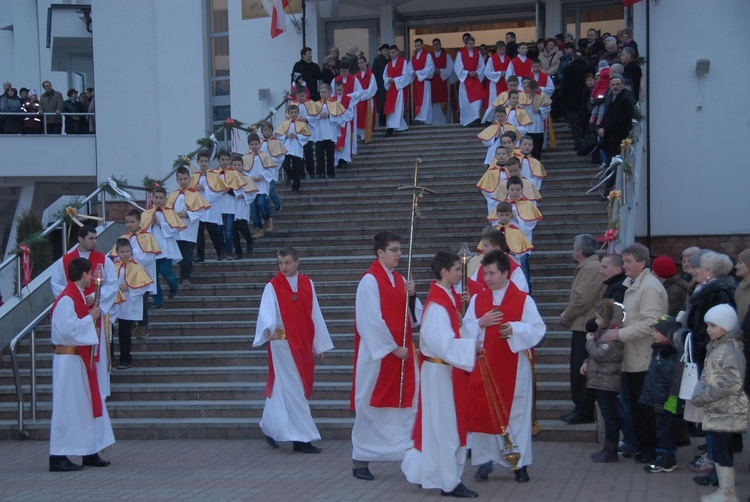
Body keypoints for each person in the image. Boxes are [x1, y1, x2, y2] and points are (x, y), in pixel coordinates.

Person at [401, 252, 479, 498]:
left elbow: (455, 332)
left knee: (439, 427)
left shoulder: (446, 299)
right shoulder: (437, 305)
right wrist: (470, 347)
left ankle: (430, 474)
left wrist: (469, 341)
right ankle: (449, 482)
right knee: (444, 428)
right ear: (444, 272)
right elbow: (439, 343)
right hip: (439, 370)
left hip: (444, 370)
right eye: (457, 269)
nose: (460, 273)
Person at [463, 250, 546, 483]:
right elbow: (465, 328)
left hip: (514, 366)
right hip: (484, 364)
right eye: (485, 273)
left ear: (505, 273)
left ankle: (518, 464)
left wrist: (515, 330)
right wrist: (481, 322)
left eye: (492, 273)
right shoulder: (479, 299)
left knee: (516, 414)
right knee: (483, 411)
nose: (487, 278)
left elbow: (538, 329)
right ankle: (483, 461)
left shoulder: (523, 299)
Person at [351, 231, 422, 481]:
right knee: (370, 404)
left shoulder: (401, 279)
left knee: (404, 405)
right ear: (380, 253)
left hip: (401, 354)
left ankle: (404, 452)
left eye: (400, 249)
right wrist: (392, 348)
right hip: (377, 357)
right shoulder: (369, 281)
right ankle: (361, 459)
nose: (399, 254)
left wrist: (412, 296)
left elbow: (414, 319)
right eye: (394, 250)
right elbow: (370, 320)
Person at [254, 247, 333, 453]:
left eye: (287, 262)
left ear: (297, 262)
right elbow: (266, 314)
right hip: (282, 344)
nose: (284, 267)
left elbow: (314, 313)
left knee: (283, 389)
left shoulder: (308, 284)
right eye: (280, 263)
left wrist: (319, 344)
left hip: (303, 342)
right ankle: (302, 439)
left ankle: (271, 428)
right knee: (295, 388)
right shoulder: (272, 286)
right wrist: (269, 328)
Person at [600, 243, 668, 465]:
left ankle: (651, 449)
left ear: (642, 263)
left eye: (629, 261)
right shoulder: (634, 284)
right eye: (624, 261)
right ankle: (643, 447)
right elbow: (631, 317)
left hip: (644, 355)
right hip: (633, 354)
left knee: (645, 408)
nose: (625, 265)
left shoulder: (649, 287)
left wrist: (621, 334)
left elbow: (652, 322)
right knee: (638, 408)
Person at [49, 257, 115, 472]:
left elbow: (75, 328)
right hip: (68, 360)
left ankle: (89, 450)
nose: (92, 278)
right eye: (90, 274)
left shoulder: (74, 296)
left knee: (83, 405)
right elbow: (66, 330)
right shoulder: (66, 299)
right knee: (67, 407)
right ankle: (58, 455)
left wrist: (89, 325)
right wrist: (90, 319)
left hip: (78, 359)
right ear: (83, 275)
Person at [51, 225, 118, 400]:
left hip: (95, 310)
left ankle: (100, 392)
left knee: (98, 353)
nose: (95, 242)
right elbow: (56, 284)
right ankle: (80, 391)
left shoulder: (104, 260)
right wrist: (76, 298)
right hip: (74, 311)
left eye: (95, 238)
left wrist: (95, 297)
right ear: (80, 239)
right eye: (91, 238)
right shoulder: (65, 261)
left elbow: (113, 284)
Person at [691, 304, 748, 502]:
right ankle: (726, 491)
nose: (708, 329)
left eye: (713, 325)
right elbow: (709, 373)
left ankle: (728, 493)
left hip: (727, 407)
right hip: (718, 406)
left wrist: (704, 395)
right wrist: (699, 389)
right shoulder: (718, 345)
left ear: (727, 326)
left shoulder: (731, 349)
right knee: (718, 447)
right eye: (707, 325)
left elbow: (734, 382)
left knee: (721, 448)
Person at [559, 234, 603, 425]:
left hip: (586, 324)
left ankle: (583, 409)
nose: (572, 250)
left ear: (579, 251)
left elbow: (582, 298)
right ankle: (580, 407)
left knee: (581, 369)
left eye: (573, 247)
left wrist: (567, 314)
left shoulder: (591, 268)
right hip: (583, 322)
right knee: (578, 369)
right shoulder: (589, 266)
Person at [581, 299, 625, 462]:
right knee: (609, 415)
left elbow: (600, 355)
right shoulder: (604, 333)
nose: (596, 321)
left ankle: (611, 450)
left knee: (610, 416)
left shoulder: (611, 336)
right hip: (602, 379)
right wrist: (586, 363)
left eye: (598, 318)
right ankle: (608, 448)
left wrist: (589, 341)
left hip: (607, 380)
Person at [639, 315, 683, 473]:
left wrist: (659, 400)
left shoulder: (668, 354)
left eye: (656, 331)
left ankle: (666, 459)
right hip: (657, 398)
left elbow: (666, 380)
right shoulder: (659, 350)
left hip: (664, 400)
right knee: (662, 429)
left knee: (664, 430)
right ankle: (665, 456)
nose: (653, 334)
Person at [112, 209, 160, 340]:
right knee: (127, 302)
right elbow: (116, 257)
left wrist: (131, 258)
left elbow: (148, 257)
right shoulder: (123, 238)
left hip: (142, 276)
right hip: (125, 276)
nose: (130, 224)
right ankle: (130, 324)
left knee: (142, 302)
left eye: (132, 222)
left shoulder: (148, 236)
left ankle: (143, 326)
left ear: (139, 222)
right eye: (127, 222)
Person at [140, 187, 184, 309]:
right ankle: (158, 301)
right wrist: (151, 224)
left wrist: (161, 223)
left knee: (166, 271)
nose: (159, 200)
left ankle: (174, 284)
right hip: (151, 249)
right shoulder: (146, 214)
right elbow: (142, 231)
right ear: (152, 198)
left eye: (161, 198)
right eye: (156, 197)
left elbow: (175, 230)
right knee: (153, 276)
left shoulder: (170, 212)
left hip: (165, 248)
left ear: (165, 199)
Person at [112, 238, 153, 370]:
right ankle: (110, 356)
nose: (125, 254)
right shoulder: (112, 266)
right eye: (122, 251)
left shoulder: (136, 267)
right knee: (109, 331)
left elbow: (143, 286)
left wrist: (129, 289)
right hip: (112, 303)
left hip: (127, 302)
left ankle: (125, 358)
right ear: (117, 252)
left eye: (128, 251)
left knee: (125, 332)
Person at [167, 166, 209, 284]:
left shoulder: (195, 194)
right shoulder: (173, 195)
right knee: (179, 253)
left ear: (189, 179)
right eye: (181, 179)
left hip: (189, 229)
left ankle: (186, 276)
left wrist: (187, 214)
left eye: (185, 178)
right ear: (177, 180)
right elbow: (167, 211)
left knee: (187, 253)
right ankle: (181, 272)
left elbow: (200, 211)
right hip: (177, 230)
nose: (183, 181)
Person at [190, 150, 227, 262]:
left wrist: (205, 189)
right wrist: (195, 190)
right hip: (199, 207)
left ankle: (220, 252)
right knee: (199, 232)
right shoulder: (195, 176)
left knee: (213, 231)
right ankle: (200, 255)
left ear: (209, 162)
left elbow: (220, 191)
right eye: (202, 161)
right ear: (198, 162)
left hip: (211, 207)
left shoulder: (214, 175)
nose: (204, 163)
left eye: (206, 161)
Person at [307, 83, 351, 179]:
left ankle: (331, 172)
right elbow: (310, 118)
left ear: (330, 92)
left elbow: (342, 117)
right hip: (319, 134)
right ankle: (320, 172)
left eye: (324, 92)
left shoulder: (335, 104)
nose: (322, 94)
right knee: (319, 154)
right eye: (321, 92)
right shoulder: (316, 104)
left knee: (330, 154)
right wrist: (319, 116)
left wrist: (329, 116)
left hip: (330, 133)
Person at [214, 149, 246, 257]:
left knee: (228, 230)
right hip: (218, 205)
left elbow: (240, 189)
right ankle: (220, 251)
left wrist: (230, 190)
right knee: (218, 230)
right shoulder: (214, 174)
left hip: (230, 205)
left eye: (227, 159)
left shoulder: (234, 173)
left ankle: (228, 251)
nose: (225, 162)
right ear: (218, 160)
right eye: (222, 159)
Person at [243, 134, 275, 239]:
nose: (254, 146)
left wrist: (262, 176)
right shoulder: (245, 158)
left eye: (256, 144)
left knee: (261, 203)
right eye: (252, 144)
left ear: (259, 144)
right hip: (251, 187)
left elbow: (271, 169)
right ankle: (258, 229)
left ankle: (267, 218)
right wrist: (251, 177)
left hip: (262, 185)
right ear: (249, 145)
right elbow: (243, 172)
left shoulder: (265, 156)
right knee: (253, 208)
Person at [597, 75, 633, 166]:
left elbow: (618, 120)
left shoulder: (625, 99)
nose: (615, 87)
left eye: (617, 84)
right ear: (610, 86)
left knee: (615, 165)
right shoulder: (610, 98)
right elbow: (606, 115)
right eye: (613, 84)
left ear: (622, 85)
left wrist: (604, 129)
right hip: (610, 138)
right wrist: (601, 127)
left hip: (618, 139)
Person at [276, 104, 311, 193]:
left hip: (296, 148)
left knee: (296, 167)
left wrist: (297, 136)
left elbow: (307, 136)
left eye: (295, 112)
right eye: (292, 112)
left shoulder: (302, 124)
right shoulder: (284, 123)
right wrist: (286, 135)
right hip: (286, 147)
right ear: (288, 113)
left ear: (298, 113)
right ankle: (289, 175)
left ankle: (296, 186)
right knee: (285, 164)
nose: (294, 114)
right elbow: (278, 135)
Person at [454, 36, 486, 126]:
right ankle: (467, 120)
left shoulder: (477, 53)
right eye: (469, 43)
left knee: (477, 100)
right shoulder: (461, 53)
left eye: (473, 43)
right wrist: (467, 73)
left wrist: (476, 72)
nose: (471, 45)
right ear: (466, 44)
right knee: (466, 101)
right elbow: (457, 67)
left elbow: (481, 66)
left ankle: (476, 117)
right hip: (465, 81)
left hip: (475, 80)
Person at [383, 45, 412, 137]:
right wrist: (388, 80)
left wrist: (394, 80)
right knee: (390, 108)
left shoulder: (403, 62)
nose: (391, 54)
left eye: (393, 52)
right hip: (391, 89)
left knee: (397, 108)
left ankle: (390, 128)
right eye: (390, 53)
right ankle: (401, 126)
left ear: (397, 52)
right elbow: (385, 76)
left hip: (399, 89)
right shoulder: (388, 64)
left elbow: (406, 76)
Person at [483, 41, 515, 121]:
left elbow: (511, 71)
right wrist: (499, 74)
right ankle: (490, 119)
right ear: (496, 50)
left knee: (505, 100)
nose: (501, 51)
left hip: (505, 82)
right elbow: (487, 72)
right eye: (500, 49)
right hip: (495, 83)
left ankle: (505, 118)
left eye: (503, 49)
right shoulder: (491, 59)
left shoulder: (508, 59)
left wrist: (506, 75)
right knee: (494, 101)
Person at [259, 120, 286, 211]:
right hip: (261, 169)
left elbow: (280, 158)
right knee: (263, 190)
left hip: (271, 169)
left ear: (271, 131)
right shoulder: (259, 142)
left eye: (268, 130)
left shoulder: (276, 142)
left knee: (271, 189)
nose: (267, 132)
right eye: (265, 130)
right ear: (262, 131)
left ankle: (277, 201)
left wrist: (270, 161)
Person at [409, 38, 435, 125]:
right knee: (418, 100)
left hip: (424, 81)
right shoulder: (413, 57)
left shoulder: (427, 55)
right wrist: (413, 73)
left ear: (422, 45)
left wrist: (418, 73)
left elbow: (430, 67)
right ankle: (423, 118)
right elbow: (409, 69)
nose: (417, 47)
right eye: (415, 45)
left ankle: (422, 118)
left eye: (418, 45)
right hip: (417, 81)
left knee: (425, 100)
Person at [430, 38, 454, 125]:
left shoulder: (447, 56)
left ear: (440, 45)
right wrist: (432, 71)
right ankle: (435, 121)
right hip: (432, 82)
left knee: (444, 100)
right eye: (434, 44)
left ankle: (445, 121)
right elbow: (427, 68)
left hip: (443, 81)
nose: (436, 46)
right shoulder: (429, 56)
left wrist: (440, 71)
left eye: (437, 44)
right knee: (433, 100)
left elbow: (450, 68)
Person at [354, 56, 377, 140]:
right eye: (358, 63)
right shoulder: (356, 76)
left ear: (365, 63)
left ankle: (366, 134)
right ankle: (359, 133)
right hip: (359, 100)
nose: (360, 64)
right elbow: (355, 88)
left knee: (367, 116)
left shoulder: (371, 74)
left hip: (368, 99)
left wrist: (363, 95)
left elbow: (372, 88)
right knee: (359, 116)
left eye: (361, 62)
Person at [371, 44, 390, 127]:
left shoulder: (390, 60)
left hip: (388, 85)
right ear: (381, 51)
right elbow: (374, 73)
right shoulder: (378, 60)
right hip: (380, 85)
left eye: (387, 50)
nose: (386, 52)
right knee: (382, 105)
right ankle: (382, 123)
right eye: (385, 50)